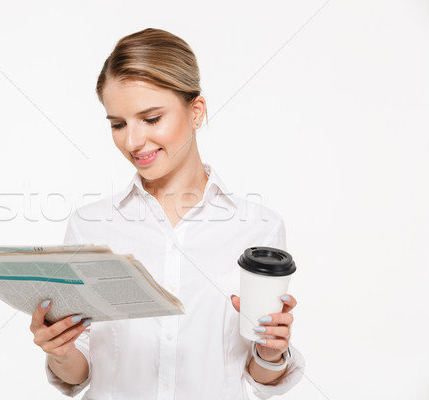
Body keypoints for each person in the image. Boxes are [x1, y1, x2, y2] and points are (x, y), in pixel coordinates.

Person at [30, 27, 305, 399]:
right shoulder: (89, 226)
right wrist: (60, 350)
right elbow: (78, 376)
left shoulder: (259, 229)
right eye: (118, 124)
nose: (132, 141)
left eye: (152, 118)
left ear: (196, 112)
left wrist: (271, 352)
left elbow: (259, 379)